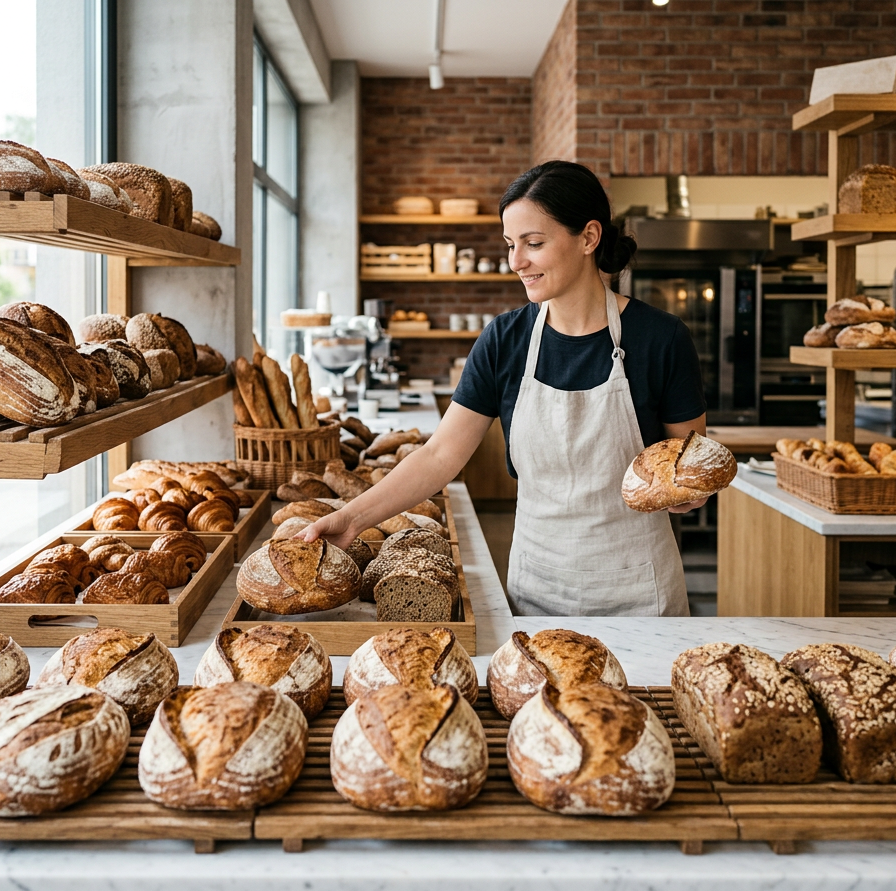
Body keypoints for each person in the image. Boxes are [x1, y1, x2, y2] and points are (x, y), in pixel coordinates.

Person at [300, 161, 707, 616]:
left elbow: (688, 462)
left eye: (534, 244)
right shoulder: (505, 340)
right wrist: (351, 519)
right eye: (511, 245)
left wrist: (691, 492)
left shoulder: (661, 338)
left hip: (641, 594)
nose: (517, 262)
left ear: (589, 238)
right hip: (536, 590)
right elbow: (439, 456)